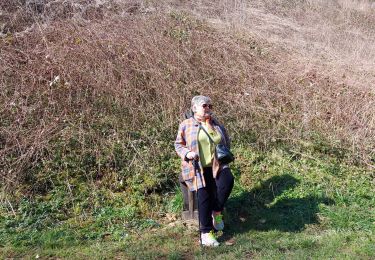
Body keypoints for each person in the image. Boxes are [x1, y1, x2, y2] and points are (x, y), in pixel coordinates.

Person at [174, 95, 234, 247]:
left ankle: (217, 211)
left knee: (227, 181)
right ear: (194, 108)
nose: (208, 108)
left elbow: (224, 141)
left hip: (216, 164)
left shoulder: (215, 123)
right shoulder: (186, 124)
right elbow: (178, 144)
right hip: (197, 167)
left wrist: (211, 128)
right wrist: (187, 153)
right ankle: (206, 233)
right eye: (204, 106)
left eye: (210, 106)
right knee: (204, 195)